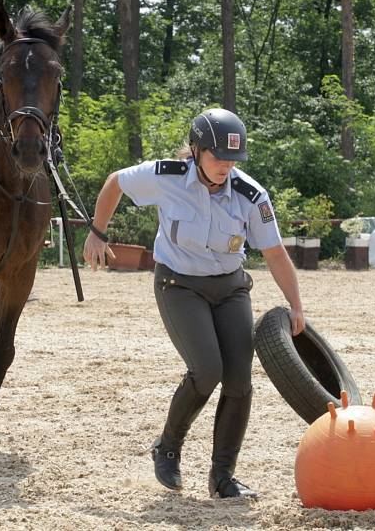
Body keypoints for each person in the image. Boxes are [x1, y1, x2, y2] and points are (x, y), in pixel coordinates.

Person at [83, 108, 306, 498]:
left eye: (232, 160)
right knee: (207, 370)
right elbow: (115, 182)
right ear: (196, 149)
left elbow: (274, 253)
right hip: (178, 285)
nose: (225, 167)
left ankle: (223, 478)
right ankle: (167, 447)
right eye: (217, 156)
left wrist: (297, 305)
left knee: (239, 380)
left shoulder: (251, 196)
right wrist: (97, 232)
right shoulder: (166, 177)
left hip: (231, 288)